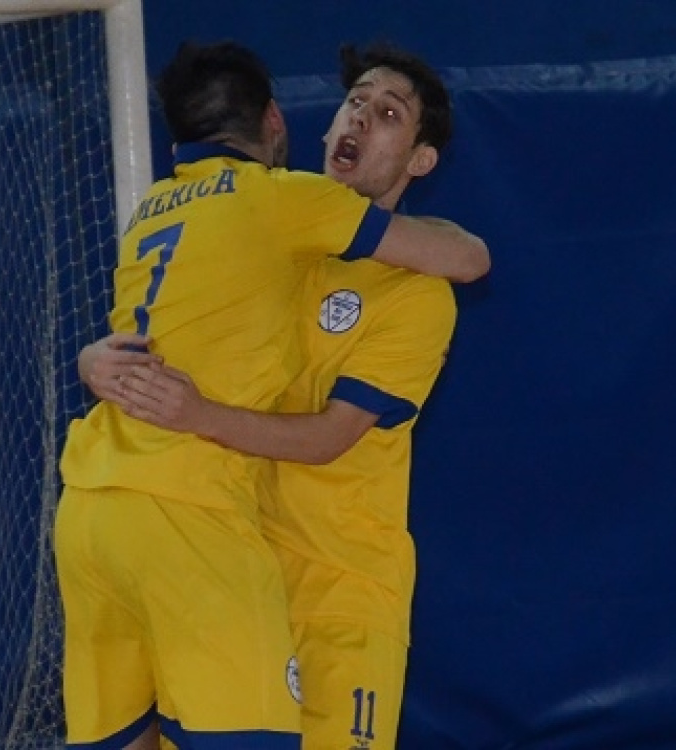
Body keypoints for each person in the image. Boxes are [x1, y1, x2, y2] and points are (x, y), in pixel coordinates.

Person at [54, 40, 489, 750]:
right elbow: (161, 332)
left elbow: (330, 436)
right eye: (354, 102)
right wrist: (93, 360)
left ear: (420, 161)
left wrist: (199, 415)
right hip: (228, 563)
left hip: (337, 594)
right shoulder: (272, 233)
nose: (360, 118)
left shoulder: (415, 293)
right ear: (299, 124)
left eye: (388, 114)